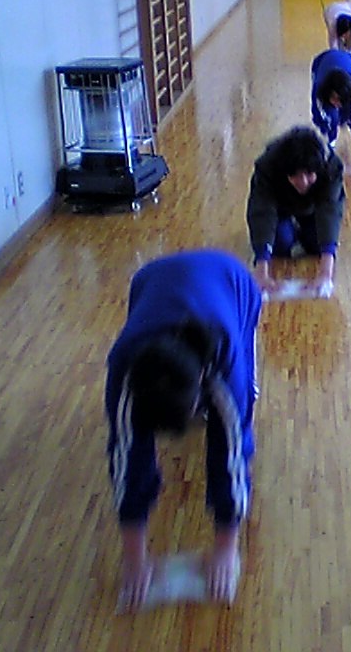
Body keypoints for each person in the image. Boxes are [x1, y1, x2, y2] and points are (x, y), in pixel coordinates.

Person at [106, 250, 262, 611]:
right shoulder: (124, 370)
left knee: (236, 419)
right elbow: (125, 458)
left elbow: (232, 456)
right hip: (150, 281)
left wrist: (226, 547)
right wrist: (134, 557)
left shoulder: (224, 368)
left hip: (231, 282)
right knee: (130, 439)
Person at [246, 126, 345, 297]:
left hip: (313, 209)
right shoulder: (267, 167)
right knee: (281, 244)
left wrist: (326, 273)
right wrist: (261, 271)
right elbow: (262, 211)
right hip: (282, 207)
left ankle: (302, 229)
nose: (303, 182)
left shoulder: (331, 167)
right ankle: (289, 229)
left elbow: (329, 210)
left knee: (316, 245)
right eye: (295, 176)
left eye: (309, 175)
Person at [310, 48, 351, 172]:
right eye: (334, 99)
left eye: (340, 101)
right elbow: (318, 115)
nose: (337, 103)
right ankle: (331, 144)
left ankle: (341, 119)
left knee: (348, 116)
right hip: (320, 62)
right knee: (330, 118)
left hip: (350, 61)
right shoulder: (319, 87)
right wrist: (329, 141)